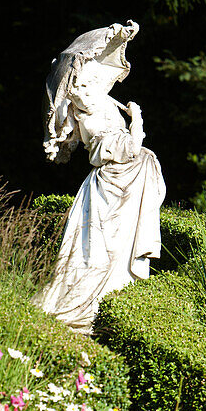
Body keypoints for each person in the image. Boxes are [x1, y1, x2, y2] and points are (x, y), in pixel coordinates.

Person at [36, 21, 164, 333]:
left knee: (116, 251)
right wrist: (138, 120)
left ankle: (113, 301)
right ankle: (91, 307)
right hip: (113, 188)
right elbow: (130, 149)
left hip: (126, 183)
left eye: (87, 84)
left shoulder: (101, 107)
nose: (83, 90)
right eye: (77, 88)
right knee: (101, 253)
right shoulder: (90, 121)